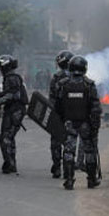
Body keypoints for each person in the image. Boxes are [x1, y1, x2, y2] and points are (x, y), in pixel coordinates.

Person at [55, 55, 101, 190]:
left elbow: (57, 106)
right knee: (90, 151)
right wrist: (95, 126)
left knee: (68, 151)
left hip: (69, 123)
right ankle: (91, 180)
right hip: (85, 123)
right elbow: (95, 108)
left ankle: (69, 180)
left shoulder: (63, 84)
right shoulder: (89, 85)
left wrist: (60, 121)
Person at [0, 54, 28, 175]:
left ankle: (9, 163)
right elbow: (9, 92)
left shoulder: (11, 77)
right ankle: (11, 164)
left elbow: (13, 95)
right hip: (15, 110)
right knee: (9, 137)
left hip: (15, 110)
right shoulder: (10, 77)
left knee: (5, 138)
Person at [48, 49, 73, 178]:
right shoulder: (78, 78)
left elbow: (51, 98)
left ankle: (57, 167)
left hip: (58, 114)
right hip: (72, 115)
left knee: (56, 142)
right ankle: (68, 169)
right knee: (69, 142)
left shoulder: (56, 78)